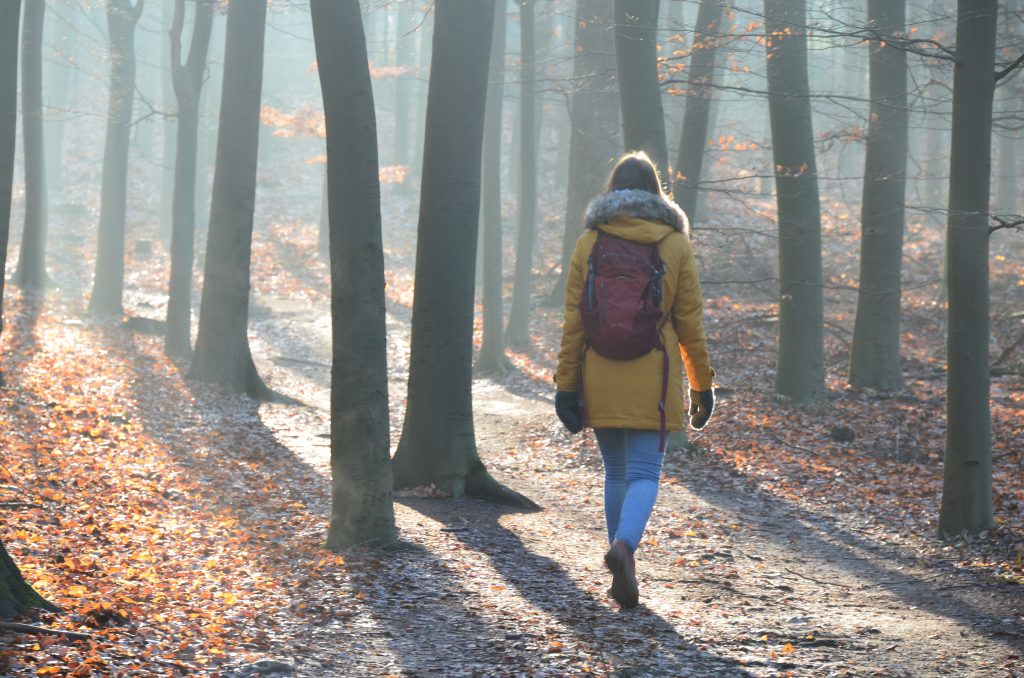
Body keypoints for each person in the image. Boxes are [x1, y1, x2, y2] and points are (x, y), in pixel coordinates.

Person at [554, 151, 716, 609]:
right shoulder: (674, 243)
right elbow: (689, 323)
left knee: (616, 472)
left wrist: (566, 384)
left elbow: (574, 322)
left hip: (599, 370)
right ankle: (624, 549)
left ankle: (619, 564)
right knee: (645, 472)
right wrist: (701, 384)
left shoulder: (590, 242)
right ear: (655, 192)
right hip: (653, 372)